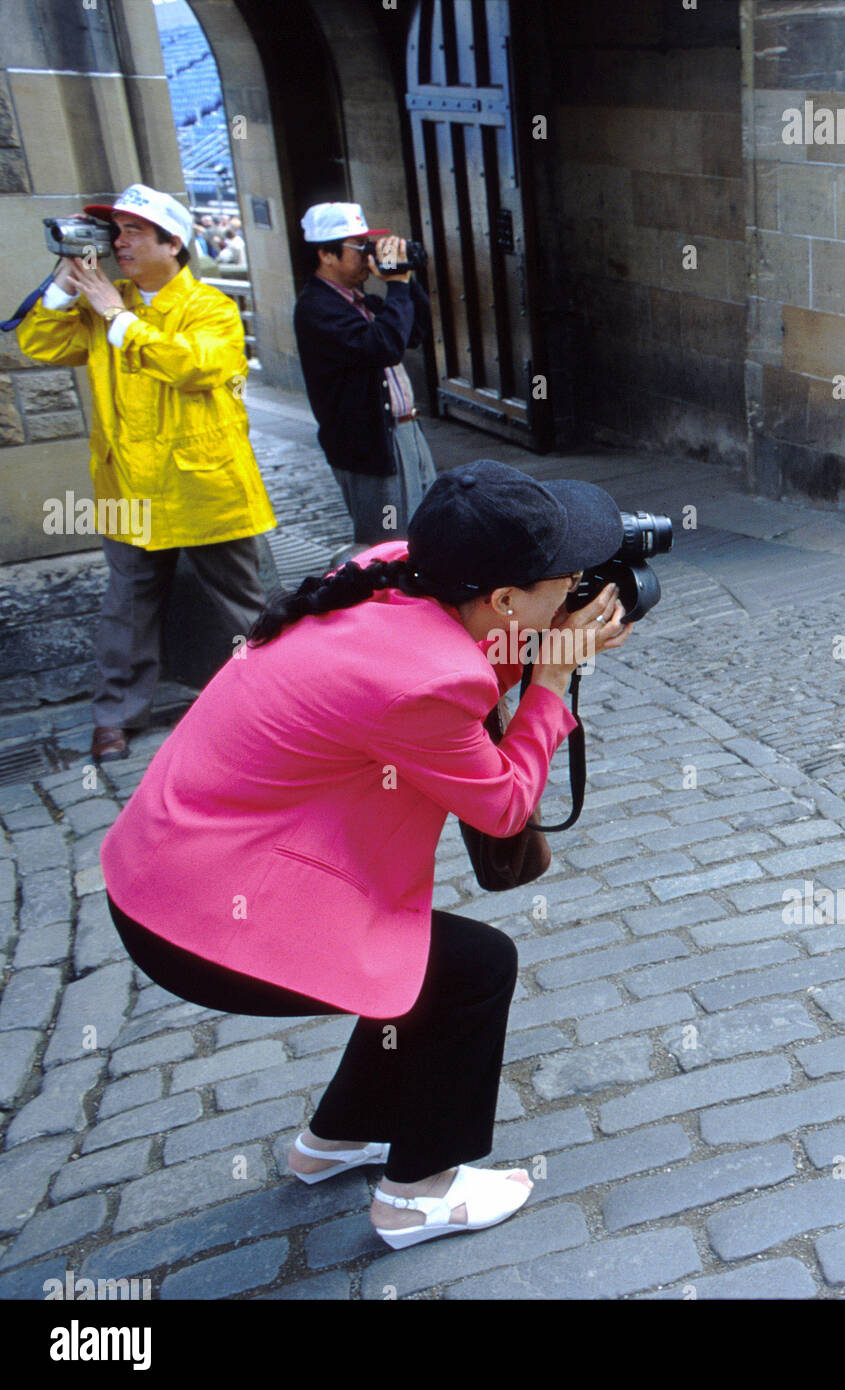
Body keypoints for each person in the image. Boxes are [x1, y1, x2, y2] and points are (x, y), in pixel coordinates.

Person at [100, 460, 634, 1249]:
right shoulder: (426, 679)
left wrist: (537, 642)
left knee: (421, 967)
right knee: (472, 970)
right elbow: (508, 802)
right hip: (194, 920)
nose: (579, 590)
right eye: (568, 579)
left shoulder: (385, 571)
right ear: (503, 600)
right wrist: (552, 677)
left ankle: (336, 1141)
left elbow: (469, 676)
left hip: (168, 866)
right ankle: (417, 1195)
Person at [17, 184, 276, 763]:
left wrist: (119, 319)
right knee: (127, 605)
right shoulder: (104, 298)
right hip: (125, 486)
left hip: (205, 484)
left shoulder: (210, 306)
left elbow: (196, 365)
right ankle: (115, 717)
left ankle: (271, 701)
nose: (120, 242)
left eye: (134, 231)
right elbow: (38, 342)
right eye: (117, 231)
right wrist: (66, 281)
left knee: (241, 603)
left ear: (173, 243)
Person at [293, 201, 436, 546]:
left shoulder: (356, 301)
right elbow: (384, 346)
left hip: (404, 433)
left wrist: (406, 276)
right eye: (359, 247)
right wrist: (397, 286)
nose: (367, 255)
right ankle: (384, 600)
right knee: (386, 543)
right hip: (370, 445)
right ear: (326, 255)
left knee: (426, 531)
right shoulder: (318, 308)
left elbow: (413, 333)